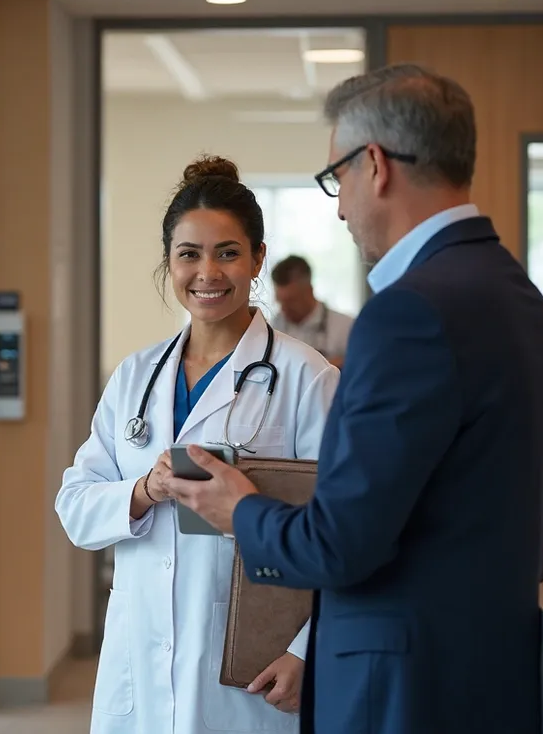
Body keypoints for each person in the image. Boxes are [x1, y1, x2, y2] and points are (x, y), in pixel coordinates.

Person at [163, 64, 543, 734]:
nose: (342, 207)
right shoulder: (515, 293)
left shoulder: (408, 313)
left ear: (374, 164)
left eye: (337, 180)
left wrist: (241, 509)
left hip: (403, 690)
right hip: (484, 673)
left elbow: (341, 544)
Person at [57, 156, 340, 734]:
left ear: (257, 258)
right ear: (169, 262)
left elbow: (342, 528)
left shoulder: (307, 378)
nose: (207, 272)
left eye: (228, 252)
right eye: (189, 254)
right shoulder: (135, 377)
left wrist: (307, 651)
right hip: (139, 658)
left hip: (252, 665)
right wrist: (142, 489)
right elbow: (76, 507)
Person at [267, 255, 355, 367]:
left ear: (310, 291)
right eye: (280, 302)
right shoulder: (274, 327)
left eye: (290, 301)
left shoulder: (345, 327)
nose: (284, 309)